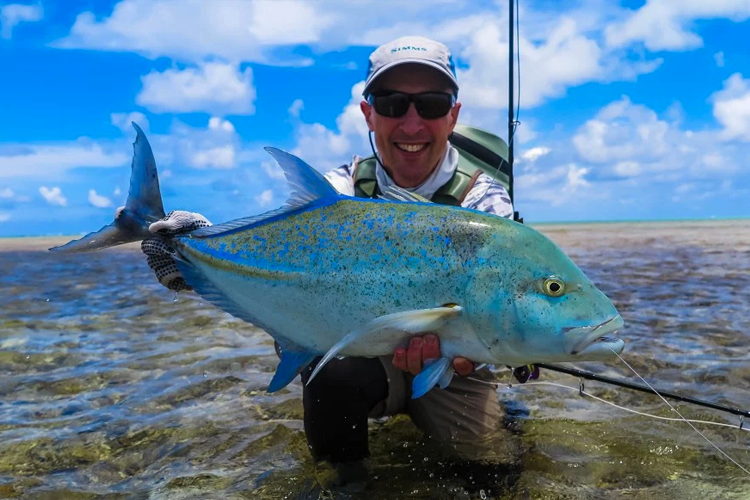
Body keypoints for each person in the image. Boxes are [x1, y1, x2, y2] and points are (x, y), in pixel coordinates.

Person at [142, 36, 515, 487]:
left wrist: (467, 355)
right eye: (392, 103)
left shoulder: (484, 202)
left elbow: (498, 313)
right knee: (330, 368)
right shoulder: (338, 191)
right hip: (360, 359)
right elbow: (277, 258)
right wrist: (194, 255)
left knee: (494, 476)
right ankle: (345, 478)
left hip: (457, 372)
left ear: (453, 115)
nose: (412, 123)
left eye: (432, 104)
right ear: (368, 113)